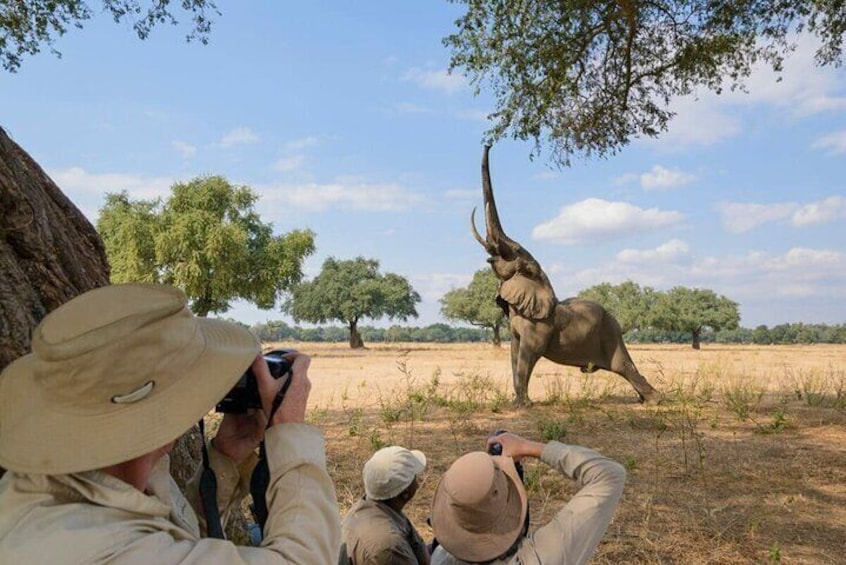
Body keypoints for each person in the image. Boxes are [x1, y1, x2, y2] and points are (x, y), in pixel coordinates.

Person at [0, 283, 341, 563]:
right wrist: (292, 435)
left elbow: (170, 543)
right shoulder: (99, 549)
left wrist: (224, 458)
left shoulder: (54, 486)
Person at [429, 432, 625, 565]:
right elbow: (610, 475)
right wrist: (528, 447)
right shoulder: (545, 553)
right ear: (513, 506)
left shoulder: (437, 557)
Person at [340, 445, 430, 564]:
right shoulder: (389, 547)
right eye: (414, 477)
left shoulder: (368, 506)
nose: (417, 482)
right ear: (405, 493)